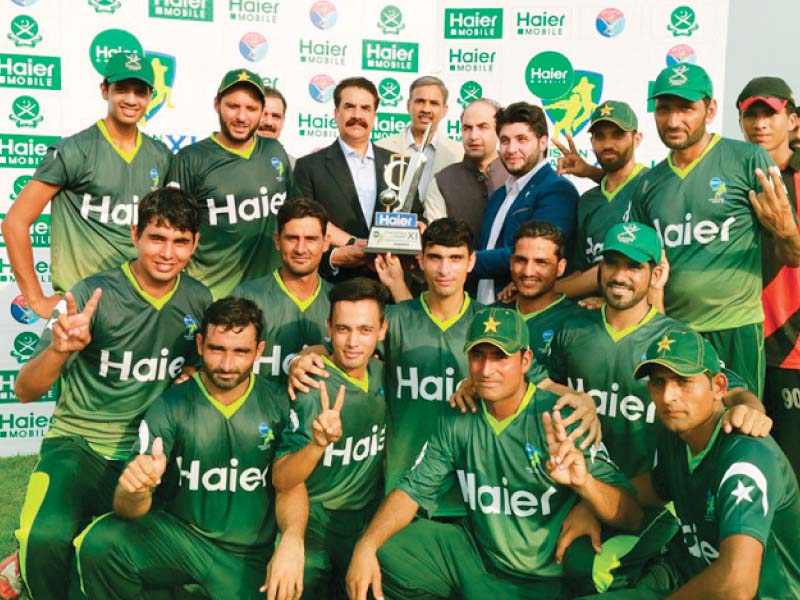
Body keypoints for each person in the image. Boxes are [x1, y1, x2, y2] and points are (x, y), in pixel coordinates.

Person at [345, 307, 640, 599]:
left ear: (525, 360)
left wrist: (584, 484)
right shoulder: (458, 415)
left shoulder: (562, 417)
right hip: (480, 559)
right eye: (477, 356)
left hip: (546, 576)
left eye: (500, 356)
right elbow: (412, 490)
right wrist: (366, 545)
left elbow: (632, 516)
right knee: (387, 547)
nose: (486, 370)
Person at [546, 222, 768, 595]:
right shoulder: (572, 328)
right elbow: (536, 383)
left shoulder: (675, 338)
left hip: (652, 499)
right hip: (582, 486)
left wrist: (750, 410)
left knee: (587, 571)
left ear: (655, 273)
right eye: (612, 263)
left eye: (634, 267)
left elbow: (734, 391)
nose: (620, 276)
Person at [12, 188, 211, 600]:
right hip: (78, 445)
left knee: (144, 565)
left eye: (180, 241)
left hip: (148, 455)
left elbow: (198, 364)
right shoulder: (90, 294)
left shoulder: (198, 298)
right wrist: (59, 349)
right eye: (157, 238)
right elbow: (26, 390)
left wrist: (193, 368)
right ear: (135, 233)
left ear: (195, 244)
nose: (167, 253)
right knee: (44, 539)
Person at [76, 297, 306, 599]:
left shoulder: (278, 402)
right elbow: (128, 508)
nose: (227, 364)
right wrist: (135, 490)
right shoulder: (171, 404)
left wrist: (292, 539)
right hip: (180, 540)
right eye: (216, 349)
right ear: (199, 344)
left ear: (259, 351)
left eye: (240, 352)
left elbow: (290, 486)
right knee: (102, 542)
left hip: (246, 556)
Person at [630, 63, 800, 398]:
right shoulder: (648, 184)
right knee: (678, 433)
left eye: (686, 108)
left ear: (710, 110)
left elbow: (792, 255)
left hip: (735, 327)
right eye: (664, 109)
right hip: (674, 330)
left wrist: (786, 232)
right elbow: (640, 263)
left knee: (739, 424)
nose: (674, 120)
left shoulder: (747, 159)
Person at [628, 329, 800, 599]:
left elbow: (737, 584)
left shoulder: (746, 454)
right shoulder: (678, 434)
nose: (668, 396)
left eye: (683, 381)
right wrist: (587, 498)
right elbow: (652, 489)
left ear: (719, 387)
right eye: (658, 383)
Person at [1, 51, 172, 318]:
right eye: (121, 89)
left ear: (150, 96)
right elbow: (14, 223)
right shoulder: (73, 151)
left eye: (139, 91)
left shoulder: (160, 156)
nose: (130, 99)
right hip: (80, 307)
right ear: (105, 90)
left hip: (139, 306)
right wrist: (35, 299)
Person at [272, 278, 389, 599]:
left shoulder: (383, 372)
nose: (353, 342)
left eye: (365, 330)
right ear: (329, 327)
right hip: (315, 522)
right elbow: (282, 479)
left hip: (366, 519)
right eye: (343, 329)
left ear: (382, 330)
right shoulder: (313, 386)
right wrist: (317, 445)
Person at [167, 68, 297, 299]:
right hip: (213, 297)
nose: (241, 117)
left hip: (269, 297)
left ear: (261, 111)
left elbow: (295, 218)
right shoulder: (190, 159)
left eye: (251, 108)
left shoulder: (274, 151)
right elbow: (172, 234)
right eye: (233, 106)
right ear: (217, 105)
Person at [736, 76, 800, 481]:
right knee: (746, 466)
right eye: (751, 114)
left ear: (792, 120)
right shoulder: (732, 178)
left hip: (791, 347)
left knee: (791, 473)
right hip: (740, 342)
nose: (760, 123)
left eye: (770, 114)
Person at [473, 101, 579, 305]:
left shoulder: (557, 190)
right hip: (484, 312)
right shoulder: (500, 195)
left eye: (522, 140)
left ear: (542, 143)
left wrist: (460, 260)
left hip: (523, 313)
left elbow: (535, 255)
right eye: (504, 140)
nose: (511, 149)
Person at [293, 77, 391, 280]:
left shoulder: (398, 165)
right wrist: (345, 248)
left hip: (388, 285)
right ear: (336, 114)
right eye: (349, 107)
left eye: (365, 108)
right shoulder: (308, 167)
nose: (357, 115)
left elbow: (415, 216)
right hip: (334, 286)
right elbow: (303, 224)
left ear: (374, 115)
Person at [233, 198, 331, 384]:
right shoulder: (247, 296)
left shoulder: (338, 302)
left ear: (326, 243)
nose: (300, 249)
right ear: (278, 241)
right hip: (261, 411)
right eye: (292, 238)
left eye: (310, 239)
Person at [560, 100, 647, 299]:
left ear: (637, 138)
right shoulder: (588, 201)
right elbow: (581, 269)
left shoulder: (652, 185)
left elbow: (658, 265)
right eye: (600, 136)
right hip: (589, 316)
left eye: (617, 135)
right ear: (591, 142)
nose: (608, 144)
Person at [423, 98, 508, 242]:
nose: (473, 136)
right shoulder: (442, 182)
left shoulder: (519, 176)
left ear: (499, 131)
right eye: (467, 128)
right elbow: (439, 244)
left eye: (482, 127)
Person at [503, 221, 584, 368]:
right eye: (521, 260)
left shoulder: (579, 322)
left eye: (541, 262)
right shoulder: (492, 315)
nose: (528, 272)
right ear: (511, 262)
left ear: (561, 267)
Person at [377, 75, 464, 200]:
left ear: (445, 110)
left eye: (434, 103)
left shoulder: (458, 154)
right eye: (420, 101)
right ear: (408, 105)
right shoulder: (382, 147)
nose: (426, 109)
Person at [257, 85, 295, 167]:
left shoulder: (292, 165)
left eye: (275, 116)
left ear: (283, 121)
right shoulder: (229, 161)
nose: (269, 122)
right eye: (263, 114)